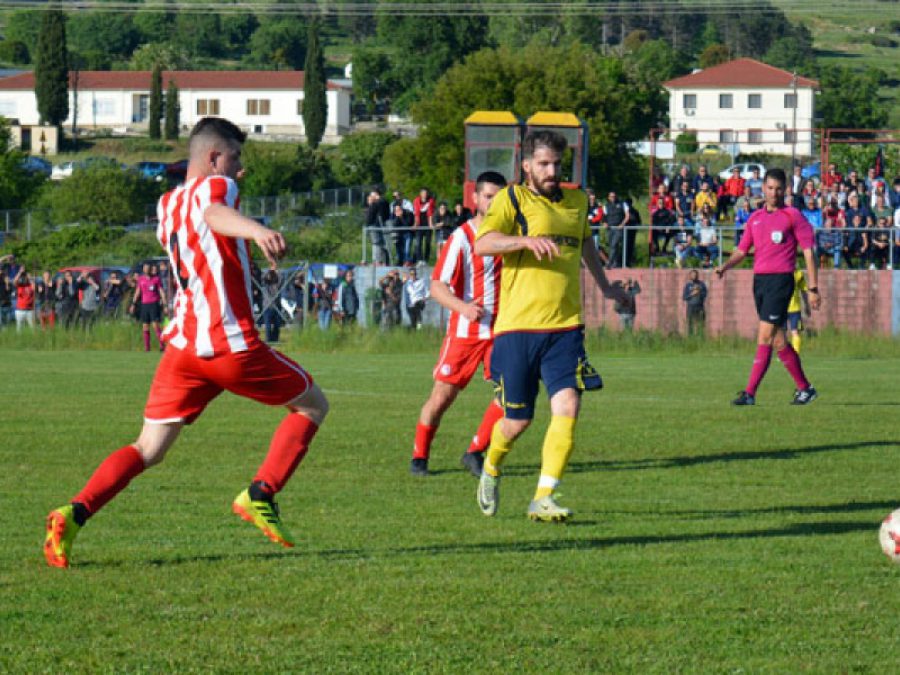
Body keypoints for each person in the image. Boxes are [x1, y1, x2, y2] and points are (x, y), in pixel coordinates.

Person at [44, 116, 329, 568]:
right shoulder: (216, 190)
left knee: (147, 449)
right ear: (214, 158)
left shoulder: (166, 205)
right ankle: (260, 494)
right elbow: (214, 211)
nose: (241, 170)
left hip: (183, 349)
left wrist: (243, 258)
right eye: (236, 158)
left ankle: (73, 514)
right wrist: (256, 230)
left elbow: (205, 234)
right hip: (227, 342)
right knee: (313, 405)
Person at [472, 129, 629, 522]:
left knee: (569, 405)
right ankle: (491, 466)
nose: (551, 170)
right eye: (543, 163)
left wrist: (608, 288)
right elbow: (483, 243)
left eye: (557, 163)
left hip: (565, 327)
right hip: (517, 328)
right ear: (526, 166)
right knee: (517, 420)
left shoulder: (577, 201)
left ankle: (543, 496)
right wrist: (523, 242)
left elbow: (587, 247)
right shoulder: (512, 198)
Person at [409, 171, 507, 478]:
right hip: (466, 332)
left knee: (511, 392)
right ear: (475, 199)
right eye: (488, 196)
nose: (493, 202)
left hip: (502, 330)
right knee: (442, 397)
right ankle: (419, 457)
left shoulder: (511, 235)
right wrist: (463, 307)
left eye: (499, 196)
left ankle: (475, 451)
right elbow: (437, 287)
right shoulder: (461, 238)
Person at [715, 168, 820, 406]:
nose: (774, 193)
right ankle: (805, 388)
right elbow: (742, 250)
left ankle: (750, 393)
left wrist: (813, 288)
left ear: (785, 190)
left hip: (781, 280)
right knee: (778, 340)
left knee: (764, 335)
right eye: (770, 188)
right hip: (760, 282)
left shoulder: (793, 216)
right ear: (763, 188)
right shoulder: (755, 218)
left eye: (778, 188)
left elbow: (809, 253)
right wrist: (725, 266)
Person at [131, 262, 168, 351]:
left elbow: (161, 292)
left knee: (155, 325)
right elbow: (138, 292)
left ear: (150, 269)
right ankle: (147, 348)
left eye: (148, 268)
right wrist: (133, 304)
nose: (146, 269)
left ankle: (162, 345)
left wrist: (165, 304)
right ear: (143, 269)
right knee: (145, 326)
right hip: (144, 305)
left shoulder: (156, 279)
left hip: (154, 305)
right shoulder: (141, 279)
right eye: (145, 268)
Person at [601, 190, 630, 268]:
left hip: (619, 228)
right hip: (610, 228)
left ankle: (609, 263)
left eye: (614, 196)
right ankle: (616, 263)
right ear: (608, 197)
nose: (613, 198)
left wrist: (622, 224)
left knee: (614, 244)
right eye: (611, 196)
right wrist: (604, 223)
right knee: (612, 246)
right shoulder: (606, 206)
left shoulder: (623, 204)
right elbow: (604, 217)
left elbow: (627, 216)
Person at [785, 269, 810, 353]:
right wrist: (807, 305)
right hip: (794, 308)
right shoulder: (799, 273)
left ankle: (785, 355)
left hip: (782, 308)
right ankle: (795, 355)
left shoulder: (779, 271)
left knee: (782, 333)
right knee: (795, 332)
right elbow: (804, 291)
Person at [365, 189, 390, 265]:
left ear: (376, 195)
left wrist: (372, 203)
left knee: (377, 243)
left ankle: (378, 261)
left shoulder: (380, 202)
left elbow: (377, 214)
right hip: (374, 225)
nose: (371, 197)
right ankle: (377, 260)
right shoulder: (375, 203)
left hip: (376, 225)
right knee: (376, 243)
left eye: (372, 195)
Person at [261, 267, 283, 342]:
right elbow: (262, 278)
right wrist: (268, 270)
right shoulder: (264, 285)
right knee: (268, 325)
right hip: (267, 308)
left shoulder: (276, 285)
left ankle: (275, 339)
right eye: (269, 275)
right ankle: (268, 339)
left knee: (277, 325)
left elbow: (281, 279)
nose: (270, 277)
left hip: (276, 307)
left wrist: (277, 271)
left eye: (271, 275)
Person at [682, 270, 707, 335]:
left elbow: (705, 294)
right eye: (693, 275)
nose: (694, 276)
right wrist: (692, 294)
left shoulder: (702, 284)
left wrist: (699, 292)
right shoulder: (688, 285)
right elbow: (684, 297)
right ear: (690, 276)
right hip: (691, 307)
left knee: (701, 323)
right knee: (690, 324)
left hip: (700, 307)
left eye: (695, 275)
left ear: (698, 276)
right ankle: (691, 338)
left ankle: (700, 338)